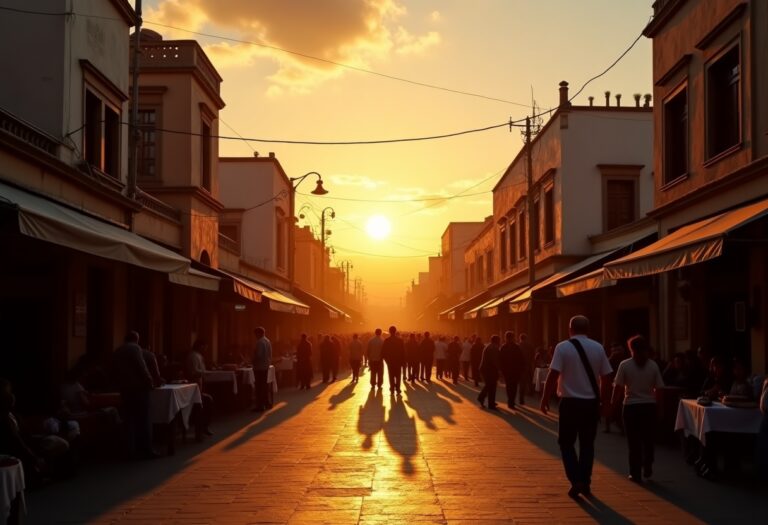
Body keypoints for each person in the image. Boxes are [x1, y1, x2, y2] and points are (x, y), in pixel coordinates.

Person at [540, 315, 612, 499]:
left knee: (566, 443)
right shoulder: (598, 347)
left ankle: (576, 480)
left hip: (570, 403)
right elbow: (606, 377)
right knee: (587, 444)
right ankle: (585, 481)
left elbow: (553, 374)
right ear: (588, 329)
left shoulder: (562, 347)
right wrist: (604, 403)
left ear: (569, 329)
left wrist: (545, 398)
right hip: (590, 404)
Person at [611, 335, 664, 483]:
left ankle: (635, 473)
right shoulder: (653, 365)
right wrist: (660, 409)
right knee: (648, 440)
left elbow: (618, 388)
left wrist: (612, 404)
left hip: (631, 407)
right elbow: (659, 389)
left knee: (633, 442)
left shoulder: (625, 365)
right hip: (649, 407)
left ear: (631, 349)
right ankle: (647, 464)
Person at [112, 331, 157, 459]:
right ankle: (146, 449)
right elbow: (141, 366)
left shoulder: (118, 350)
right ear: (136, 339)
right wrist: (150, 381)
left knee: (129, 420)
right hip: (139, 388)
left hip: (125, 389)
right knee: (144, 419)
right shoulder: (135, 348)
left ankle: (130, 450)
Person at [185, 341, 214, 439]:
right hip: (194, 385)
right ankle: (200, 430)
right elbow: (194, 371)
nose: (206, 349)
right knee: (201, 406)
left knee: (205, 403)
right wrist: (205, 372)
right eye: (205, 347)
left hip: (198, 385)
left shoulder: (197, 355)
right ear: (200, 346)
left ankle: (203, 427)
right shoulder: (193, 356)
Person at [499, 331, 523, 409]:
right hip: (514, 371)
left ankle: (510, 401)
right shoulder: (516, 347)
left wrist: (501, 370)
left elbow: (501, 360)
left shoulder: (503, 347)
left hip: (507, 371)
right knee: (513, 387)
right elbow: (521, 360)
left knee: (509, 386)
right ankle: (511, 401)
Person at [477, 335, 501, 409]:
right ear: (497, 341)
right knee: (491, 385)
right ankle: (486, 400)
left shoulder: (489, 346)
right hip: (490, 369)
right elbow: (495, 361)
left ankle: (489, 401)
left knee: (490, 385)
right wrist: (499, 369)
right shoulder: (494, 348)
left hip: (486, 369)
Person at [252, 327, 273, 412]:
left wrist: (252, 360)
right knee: (264, 386)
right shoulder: (267, 341)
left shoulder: (260, 342)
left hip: (259, 367)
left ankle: (260, 406)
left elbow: (259, 355)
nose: (255, 336)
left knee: (259, 387)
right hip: (265, 366)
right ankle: (267, 403)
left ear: (258, 333)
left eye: (255, 334)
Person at [382, 326, 405, 395]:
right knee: (398, 376)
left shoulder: (387, 340)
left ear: (389, 331)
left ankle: (392, 389)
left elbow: (384, 352)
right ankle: (398, 389)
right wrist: (403, 361)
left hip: (390, 361)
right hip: (398, 361)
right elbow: (403, 352)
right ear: (395, 331)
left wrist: (386, 360)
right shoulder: (400, 340)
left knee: (391, 376)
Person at [518, 333, 535, 403]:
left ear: (520, 338)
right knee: (530, 378)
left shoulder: (518, 346)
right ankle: (531, 391)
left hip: (521, 365)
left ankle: (522, 395)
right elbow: (533, 354)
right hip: (529, 364)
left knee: (522, 381)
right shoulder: (530, 345)